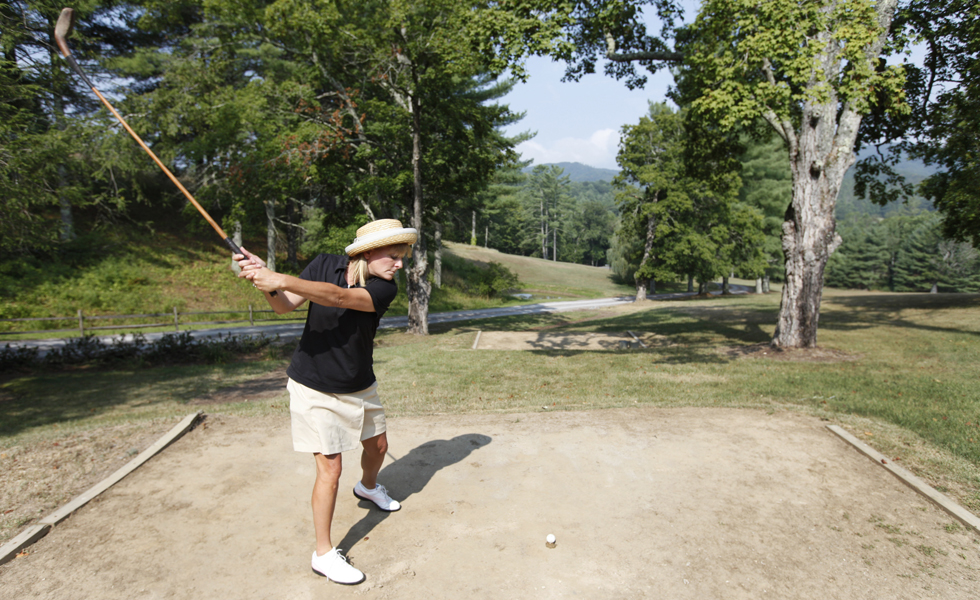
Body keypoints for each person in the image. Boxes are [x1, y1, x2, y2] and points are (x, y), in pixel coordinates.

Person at [235, 218, 417, 585]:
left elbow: (338, 297)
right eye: (394, 255)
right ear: (367, 252)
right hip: (314, 385)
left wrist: (280, 277)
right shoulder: (323, 264)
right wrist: (264, 282)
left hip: (359, 382)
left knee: (379, 446)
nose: (399, 264)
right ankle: (323, 553)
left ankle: (367, 486)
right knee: (330, 470)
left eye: (402, 257)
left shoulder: (384, 288)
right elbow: (284, 306)